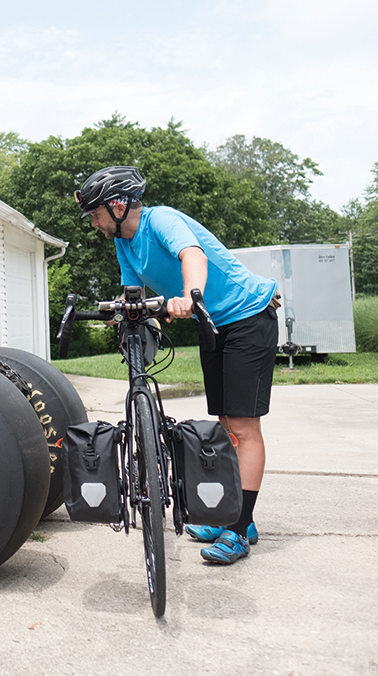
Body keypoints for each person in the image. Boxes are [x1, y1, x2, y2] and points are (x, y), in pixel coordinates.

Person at [75, 165, 279, 565]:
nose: (95, 224)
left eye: (96, 214)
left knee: (243, 425)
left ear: (117, 206)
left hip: (247, 315)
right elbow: (131, 292)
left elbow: (192, 254)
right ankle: (239, 517)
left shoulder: (161, 220)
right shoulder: (125, 244)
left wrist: (189, 294)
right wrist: (122, 314)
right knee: (225, 422)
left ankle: (239, 528)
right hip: (214, 323)